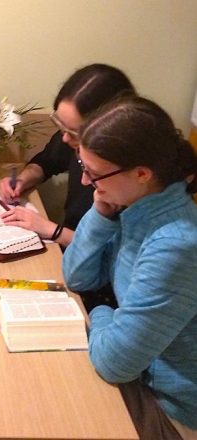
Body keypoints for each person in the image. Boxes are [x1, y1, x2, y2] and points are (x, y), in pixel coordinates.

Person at [63, 96, 197, 440]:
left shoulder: (175, 244)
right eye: (83, 166)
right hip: (139, 373)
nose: (85, 182)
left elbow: (115, 364)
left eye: (94, 174)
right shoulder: (136, 206)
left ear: (141, 174)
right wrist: (101, 213)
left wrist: (102, 311)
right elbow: (77, 276)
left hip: (171, 408)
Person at [0, 64, 135, 247]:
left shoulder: (130, 178)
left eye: (73, 132)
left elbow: (112, 253)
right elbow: (46, 162)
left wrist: (51, 230)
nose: (65, 138)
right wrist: (22, 180)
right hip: (73, 251)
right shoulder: (71, 138)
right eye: (60, 125)